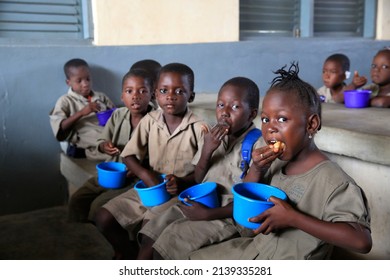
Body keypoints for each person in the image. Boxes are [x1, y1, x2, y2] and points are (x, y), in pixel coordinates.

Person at [189, 62, 372, 260]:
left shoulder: (333, 181)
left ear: (311, 124)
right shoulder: (274, 164)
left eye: (282, 119)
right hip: (254, 251)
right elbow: (244, 201)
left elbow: (361, 241)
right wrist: (257, 169)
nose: (270, 129)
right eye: (266, 120)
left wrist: (293, 218)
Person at [136, 76, 262, 260]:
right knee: (150, 235)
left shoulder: (258, 146)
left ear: (251, 114)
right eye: (220, 105)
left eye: (235, 107)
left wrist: (208, 214)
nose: (225, 113)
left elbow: (251, 202)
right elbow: (198, 177)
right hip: (201, 201)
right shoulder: (212, 136)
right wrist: (207, 150)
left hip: (227, 214)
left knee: (163, 248)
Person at [94, 62, 206, 259]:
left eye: (179, 91)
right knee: (103, 218)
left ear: (192, 95)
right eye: (164, 90)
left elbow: (203, 172)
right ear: (155, 94)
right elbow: (128, 155)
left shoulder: (199, 128)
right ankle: (127, 253)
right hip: (148, 188)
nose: (170, 96)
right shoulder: (150, 121)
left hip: (177, 194)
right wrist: (146, 175)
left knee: (148, 234)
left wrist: (181, 182)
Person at [67, 67, 158, 223]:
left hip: (135, 179)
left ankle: (100, 237)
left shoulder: (156, 122)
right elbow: (101, 141)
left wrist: (137, 169)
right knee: (78, 199)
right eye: (129, 91)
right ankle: (83, 234)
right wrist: (105, 146)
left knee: (98, 205)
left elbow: (158, 158)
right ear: (122, 96)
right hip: (111, 172)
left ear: (152, 94)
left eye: (142, 91)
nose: (135, 96)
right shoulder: (118, 115)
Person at [49, 58, 115, 161]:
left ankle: (86, 153)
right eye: (79, 81)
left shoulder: (101, 97)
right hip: (84, 134)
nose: (85, 84)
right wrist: (81, 113)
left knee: (125, 143)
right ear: (68, 82)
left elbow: (116, 114)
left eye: (88, 79)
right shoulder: (65, 101)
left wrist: (113, 112)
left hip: (106, 130)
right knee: (113, 151)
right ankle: (84, 152)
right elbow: (60, 128)